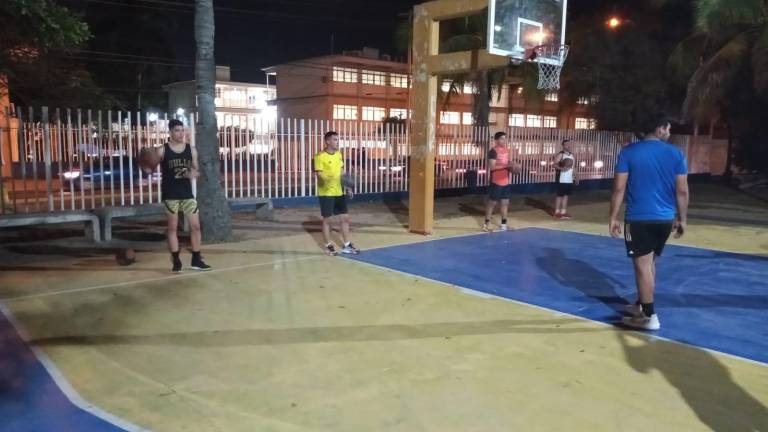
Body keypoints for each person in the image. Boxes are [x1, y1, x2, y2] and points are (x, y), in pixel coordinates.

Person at [609, 115, 689, 330]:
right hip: (665, 219)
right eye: (668, 129)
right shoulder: (676, 153)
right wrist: (682, 218)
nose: (669, 133)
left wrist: (613, 217)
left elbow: (618, 188)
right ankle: (640, 304)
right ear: (659, 128)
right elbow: (682, 191)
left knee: (642, 266)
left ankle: (649, 316)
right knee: (650, 262)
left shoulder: (629, 152)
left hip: (638, 219)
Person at [151, 119, 211, 273]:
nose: (181, 133)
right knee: (172, 228)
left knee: (196, 226)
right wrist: (145, 162)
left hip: (187, 194)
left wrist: (193, 173)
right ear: (170, 132)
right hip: (170, 194)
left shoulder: (191, 150)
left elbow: (196, 170)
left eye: (182, 130)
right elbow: (149, 167)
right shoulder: (162, 150)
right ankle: (176, 259)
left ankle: (196, 259)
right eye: (177, 130)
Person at [314, 131, 360, 256]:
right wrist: (325, 180)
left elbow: (342, 172)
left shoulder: (339, 154)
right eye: (335, 139)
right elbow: (318, 173)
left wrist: (348, 186)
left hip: (339, 191)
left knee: (345, 218)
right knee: (327, 220)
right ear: (328, 141)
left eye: (337, 139)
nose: (337, 142)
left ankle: (347, 245)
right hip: (326, 193)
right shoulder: (319, 156)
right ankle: (328, 246)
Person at [483, 131, 519, 232]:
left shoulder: (506, 150)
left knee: (505, 203)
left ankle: (504, 225)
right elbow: (492, 167)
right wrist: (507, 166)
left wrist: (513, 166)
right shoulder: (493, 151)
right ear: (496, 140)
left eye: (505, 138)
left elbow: (507, 163)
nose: (504, 140)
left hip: (506, 181)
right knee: (492, 203)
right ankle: (486, 223)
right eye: (502, 138)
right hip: (496, 181)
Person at [553, 139, 578, 220]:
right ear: (563, 146)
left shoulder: (572, 156)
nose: (568, 146)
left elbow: (573, 168)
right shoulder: (561, 154)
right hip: (561, 178)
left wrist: (576, 177)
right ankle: (557, 212)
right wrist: (561, 169)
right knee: (559, 195)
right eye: (566, 144)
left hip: (569, 179)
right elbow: (554, 165)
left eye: (569, 144)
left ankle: (563, 212)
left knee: (566, 195)